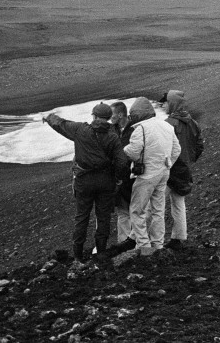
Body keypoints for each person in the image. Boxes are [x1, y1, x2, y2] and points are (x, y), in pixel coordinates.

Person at [44, 103, 127, 262]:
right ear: (109, 118)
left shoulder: (80, 130)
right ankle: (101, 252)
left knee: (82, 217)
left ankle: (77, 256)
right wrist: (117, 178)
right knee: (103, 217)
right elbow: (122, 161)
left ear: (94, 116)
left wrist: (48, 118)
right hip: (105, 182)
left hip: (84, 181)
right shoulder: (113, 136)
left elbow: (61, 124)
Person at [123, 97, 181, 256]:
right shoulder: (166, 126)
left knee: (137, 211)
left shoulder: (140, 129)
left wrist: (123, 152)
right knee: (158, 210)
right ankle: (158, 245)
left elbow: (134, 152)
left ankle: (144, 246)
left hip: (146, 175)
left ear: (137, 114)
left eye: (132, 114)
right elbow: (176, 150)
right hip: (163, 172)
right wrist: (167, 164)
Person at [161, 90, 203, 249]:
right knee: (178, 204)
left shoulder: (167, 124)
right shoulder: (193, 123)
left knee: (155, 206)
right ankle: (179, 237)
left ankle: (150, 241)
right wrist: (188, 160)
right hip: (184, 170)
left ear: (172, 103)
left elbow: (162, 148)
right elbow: (199, 146)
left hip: (168, 171)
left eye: (165, 102)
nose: (163, 105)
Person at [108, 101, 133, 247]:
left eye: (112, 114)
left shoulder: (135, 129)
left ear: (120, 114)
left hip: (131, 177)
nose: (110, 118)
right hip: (119, 177)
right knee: (123, 212)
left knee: (134, 211)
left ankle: (137, 242)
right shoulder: (113, 130)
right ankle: (124, 243)